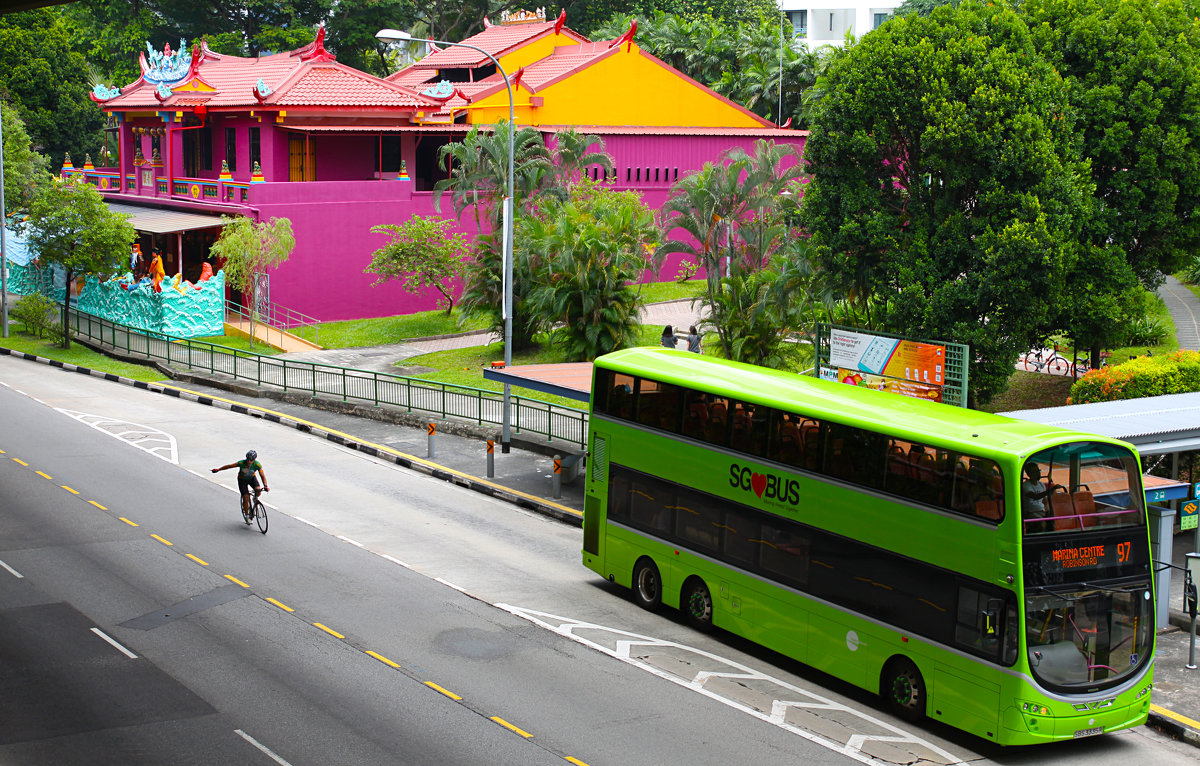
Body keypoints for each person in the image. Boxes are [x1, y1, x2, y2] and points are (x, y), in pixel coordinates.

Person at [212, 450, 269, 519]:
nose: (248, 461)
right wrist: (218, 469)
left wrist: (265, 486)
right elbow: (229, 466)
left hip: (252, 479)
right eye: (247, 459)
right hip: (242, 480)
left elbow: (262, 476)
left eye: (250, 460)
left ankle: (255, 498)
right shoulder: (241, 463)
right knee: (245, 498)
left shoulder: (257, 465)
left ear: (254, 460)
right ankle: (247, 515)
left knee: (258, 491)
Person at [1021, 463, 1052, 531]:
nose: (1038, 473)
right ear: (1029, 474)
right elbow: (1035, 496)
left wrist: (1048, 511)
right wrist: (1050, 491)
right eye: (1035, 472)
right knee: (1042, 524)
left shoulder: (1041, 485)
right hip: (1031, 513)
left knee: (1053, 522)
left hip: (1042, 512)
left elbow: (1044, 501)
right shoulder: (1026, 486)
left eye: (1038, 471)